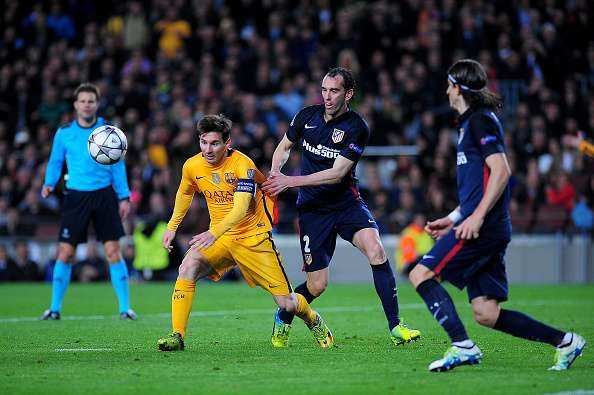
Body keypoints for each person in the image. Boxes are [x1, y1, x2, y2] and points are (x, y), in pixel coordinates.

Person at [408, 59, 585, 372]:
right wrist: (454, 216)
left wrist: (474, 218)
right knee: (486, 313)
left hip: (482, 227)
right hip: (483, 223)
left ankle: (463, 346)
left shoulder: (479, 121)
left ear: (458, 88)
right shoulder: (469, 124)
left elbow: (502, 171)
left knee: (420, 273)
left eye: (449, 85)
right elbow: (479, 186)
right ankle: (566, 342)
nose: (446, 91)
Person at [262, 67, 420, 347]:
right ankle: (284, 315)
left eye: (334, 91)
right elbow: (284, 147)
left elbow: (337, 173)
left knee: (377, 249)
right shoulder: (306, 116)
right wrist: (276, 172)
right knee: (317, 286)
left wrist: (291, 181)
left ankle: (396, 327)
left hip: (346, 204)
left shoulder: (356, 128)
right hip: (313, 210)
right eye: (324, 90)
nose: (327, 97)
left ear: (348, 94)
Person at [157, 114, 333, 351]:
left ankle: (312, 318)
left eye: (215, 143)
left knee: (288, 304)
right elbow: (185, 193)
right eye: (203, 142)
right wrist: (171, 227)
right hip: (222, 238)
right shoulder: (192, 165)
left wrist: (212, 233)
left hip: (253, 237)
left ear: (227, 143)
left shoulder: (243, 165)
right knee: (187, 267)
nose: (208, 149)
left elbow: (240, 209)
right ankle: (177, 335)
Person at [40, 83, 135, 320]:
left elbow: (118, 165)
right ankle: (54, 309)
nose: (86, 105)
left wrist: (124, 196)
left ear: (97, 104)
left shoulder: (108, 131)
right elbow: (55, 161)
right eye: (82, 101)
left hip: (104, 195)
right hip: (76, 196)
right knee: (65, 253)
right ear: (75, 105)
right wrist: (49, 182)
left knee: (113, 252)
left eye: (91, 101)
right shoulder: (64, 133)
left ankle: (125, 309)